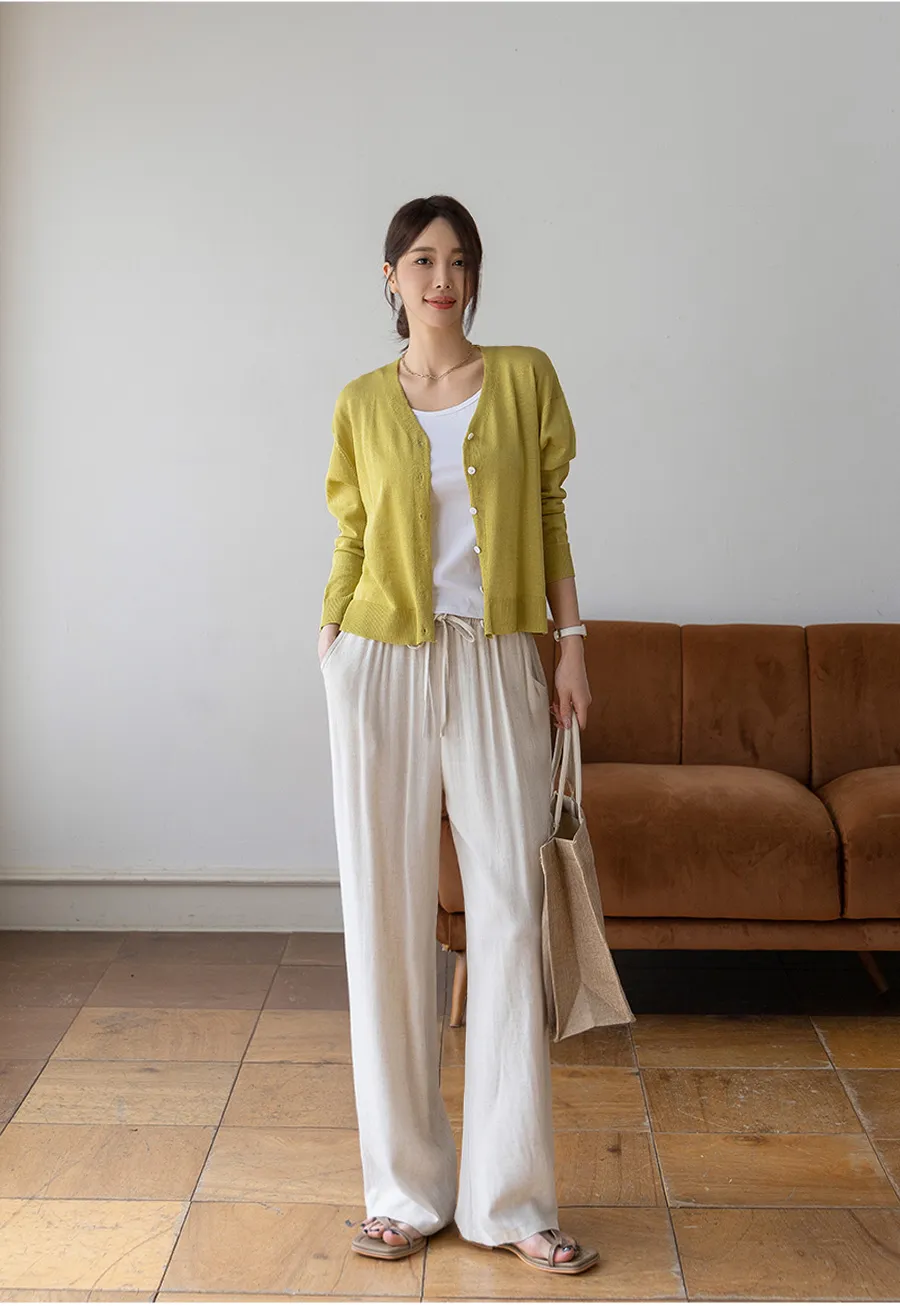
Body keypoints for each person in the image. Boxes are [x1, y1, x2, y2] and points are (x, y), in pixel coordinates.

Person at [317, 195, 596, 1276]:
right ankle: (402, 1191)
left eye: (461, 260)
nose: (444, 278)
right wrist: (332, 634)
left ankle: (511, 1199)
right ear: (390, 276)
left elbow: (552, 512)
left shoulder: (522, 378)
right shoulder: (359, 400)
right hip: (378, 661)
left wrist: (570, 644)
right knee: (381, 917)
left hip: (495, 656)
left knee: (510, 915)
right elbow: (350, 531)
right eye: (424, 259)